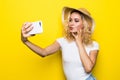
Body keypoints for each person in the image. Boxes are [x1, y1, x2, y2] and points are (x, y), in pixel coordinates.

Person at [21, 7, 99, 80]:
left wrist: (78, 42)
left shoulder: (93, 45)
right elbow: (43, 52)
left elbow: (88, 68)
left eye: (76, 20)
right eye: (70, 20)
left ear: (84, 25)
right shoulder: (62, 41)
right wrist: (25, 41)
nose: (71, 23)